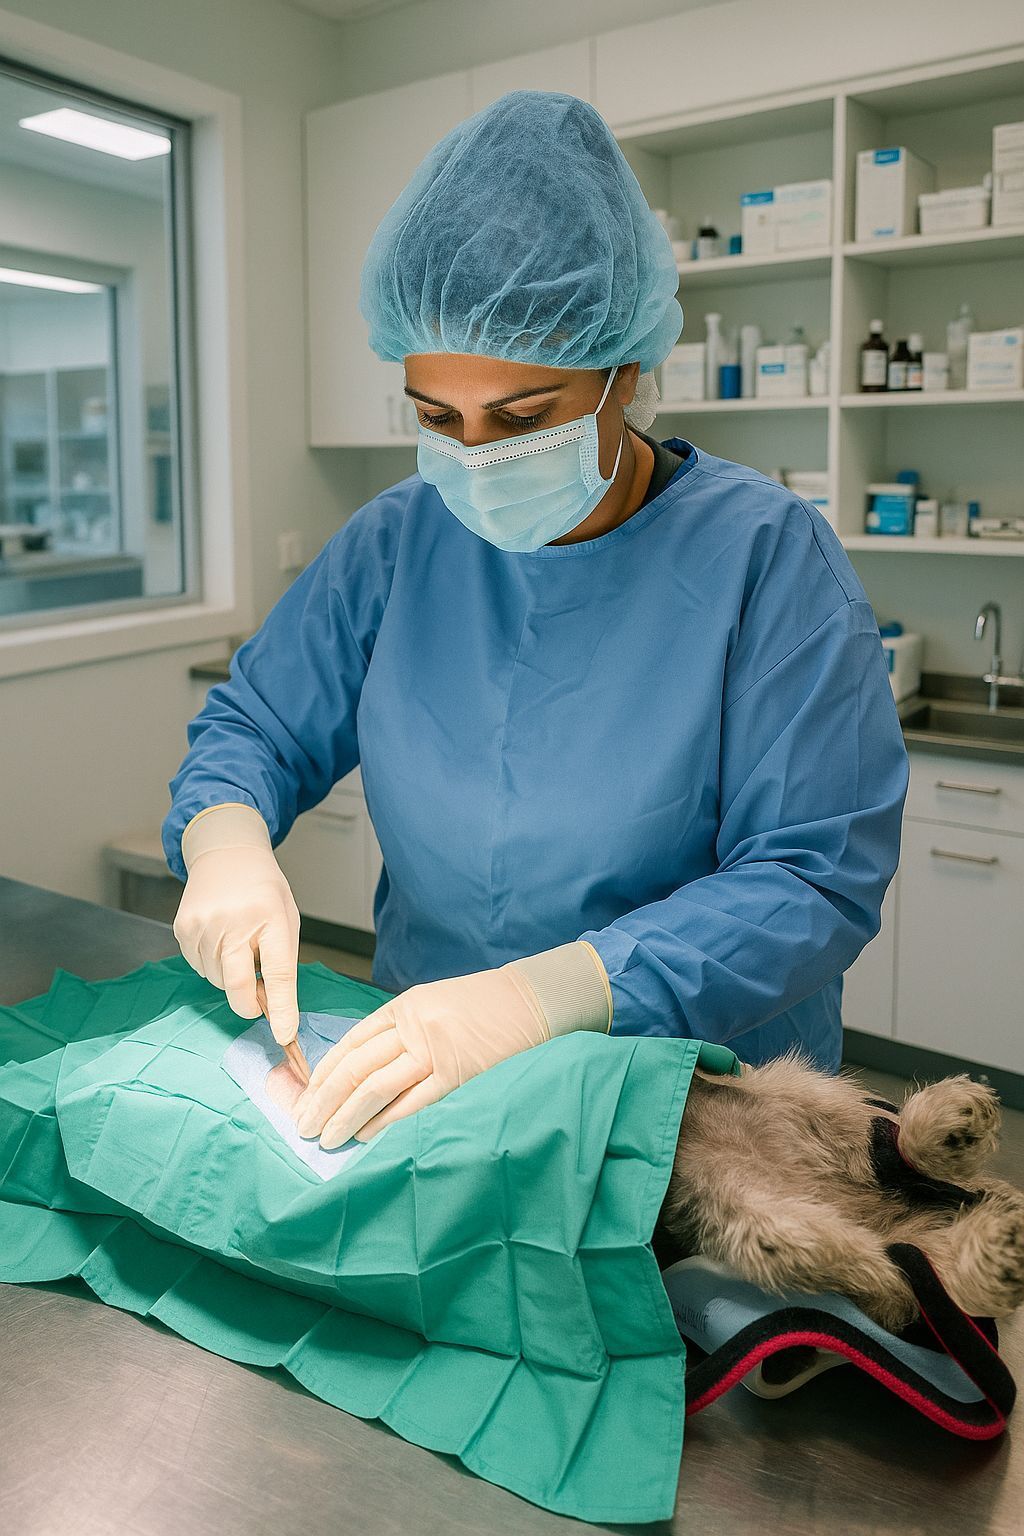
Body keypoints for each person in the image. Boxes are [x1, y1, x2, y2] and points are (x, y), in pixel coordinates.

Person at [162, 91, 909, 1154]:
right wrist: (226, 840)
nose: (472, 456)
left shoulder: (765, 557)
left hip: (698, 1102)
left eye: (522, 418)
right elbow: (257, 727)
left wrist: (543, 997)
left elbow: (809, 877)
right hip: (428, 1077)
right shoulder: (397, 539)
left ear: (627, 371)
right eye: (435, 418)